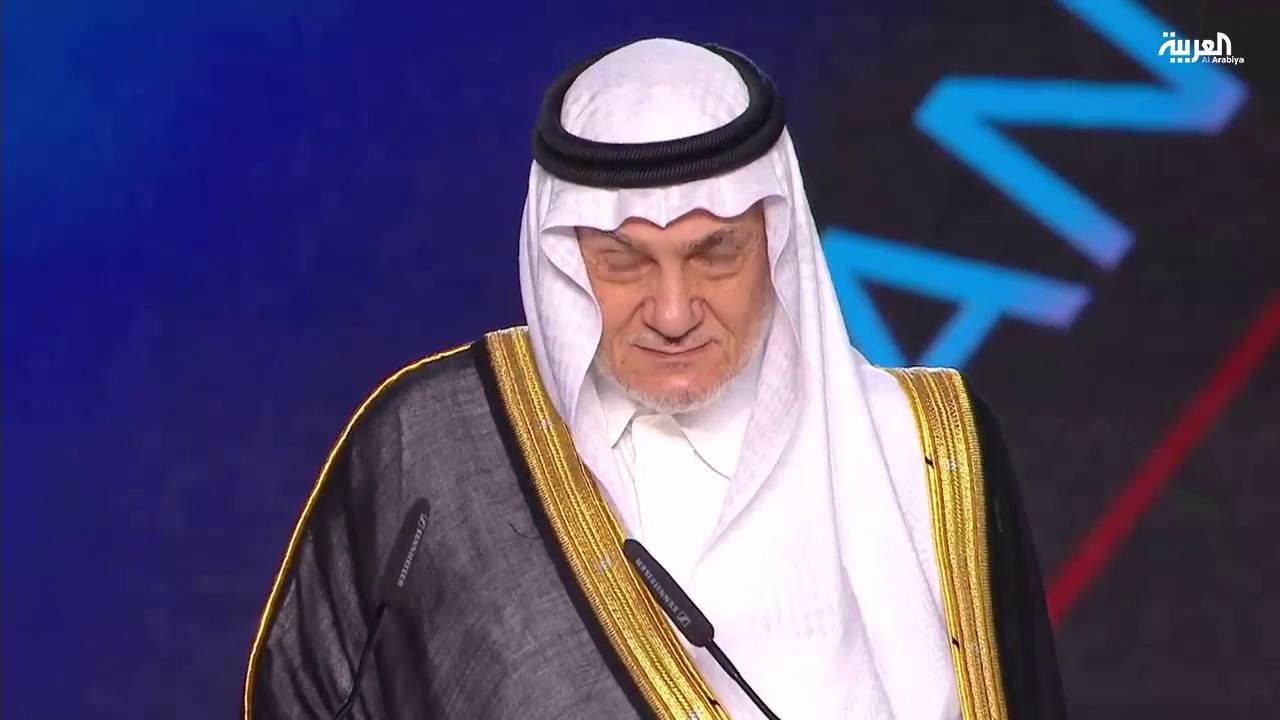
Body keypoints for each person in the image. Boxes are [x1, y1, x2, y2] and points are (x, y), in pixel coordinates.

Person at [243, 38, 1065, 719]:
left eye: (715, 254)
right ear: (564, 261)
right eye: (623, 261)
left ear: (777, 242)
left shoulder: (928, 451)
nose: (673, 312)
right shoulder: (441, 450)